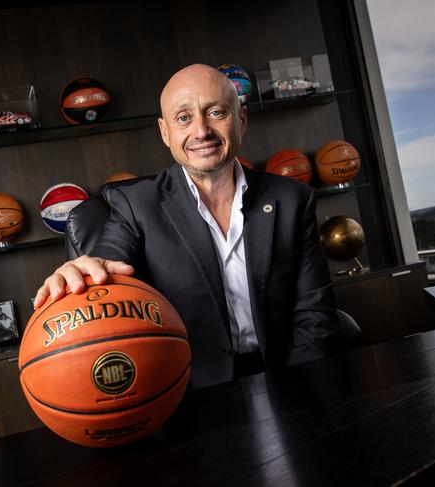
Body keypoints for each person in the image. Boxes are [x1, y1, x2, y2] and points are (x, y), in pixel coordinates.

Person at [34, 64, 340, 389]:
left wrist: (301, 394)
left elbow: (314, 315)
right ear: (165, 132)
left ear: (242, 120)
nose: (201, 131)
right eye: (184, 118)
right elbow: (110, 258)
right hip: (185, 394)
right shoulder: (135, 204)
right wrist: (88, 268)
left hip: (284, 378)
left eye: (216, 112)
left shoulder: (292, 200)